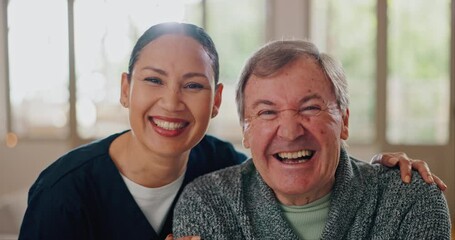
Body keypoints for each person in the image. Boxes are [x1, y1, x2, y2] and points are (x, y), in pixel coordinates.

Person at [18, 22, 445, 240]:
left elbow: (293, 165)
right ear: (125, 89)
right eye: (152, 80)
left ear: (216, 101)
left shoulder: (222, 164)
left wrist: (382, 174)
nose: (171, 102)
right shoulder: (63, 194)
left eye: (193, 85)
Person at [172, 40, 451, 239]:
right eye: (267, 112)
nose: (291, 132)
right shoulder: (207, 203)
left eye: (310, 108)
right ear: (246, 130)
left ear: (344, 121)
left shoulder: (409, 198)